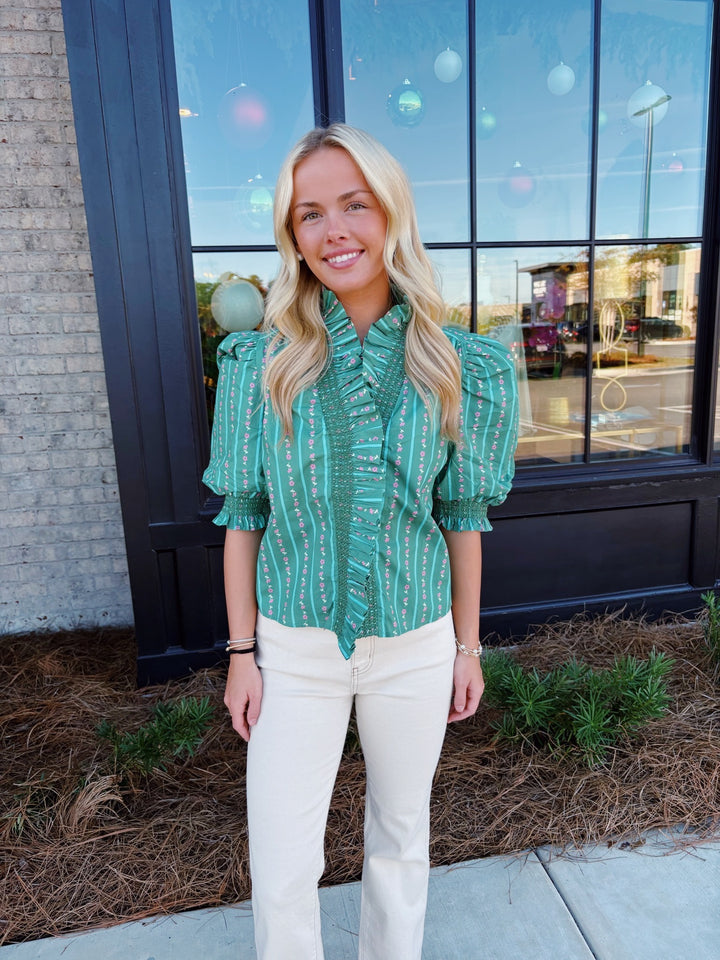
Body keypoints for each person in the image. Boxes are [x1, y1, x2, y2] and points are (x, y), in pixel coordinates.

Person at [203, 124, 519, 960]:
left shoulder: (456, 366)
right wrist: (242, 654)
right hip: (294, 649)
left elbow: (462, 519)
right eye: (310, 214)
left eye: (354, 205)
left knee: (400, 841)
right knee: (279, 862)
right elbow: (242, 518)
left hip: (416, 644)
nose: (333, 230)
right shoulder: (263, 365)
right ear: (292, 235)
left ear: (391, 215)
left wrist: (467, 645)